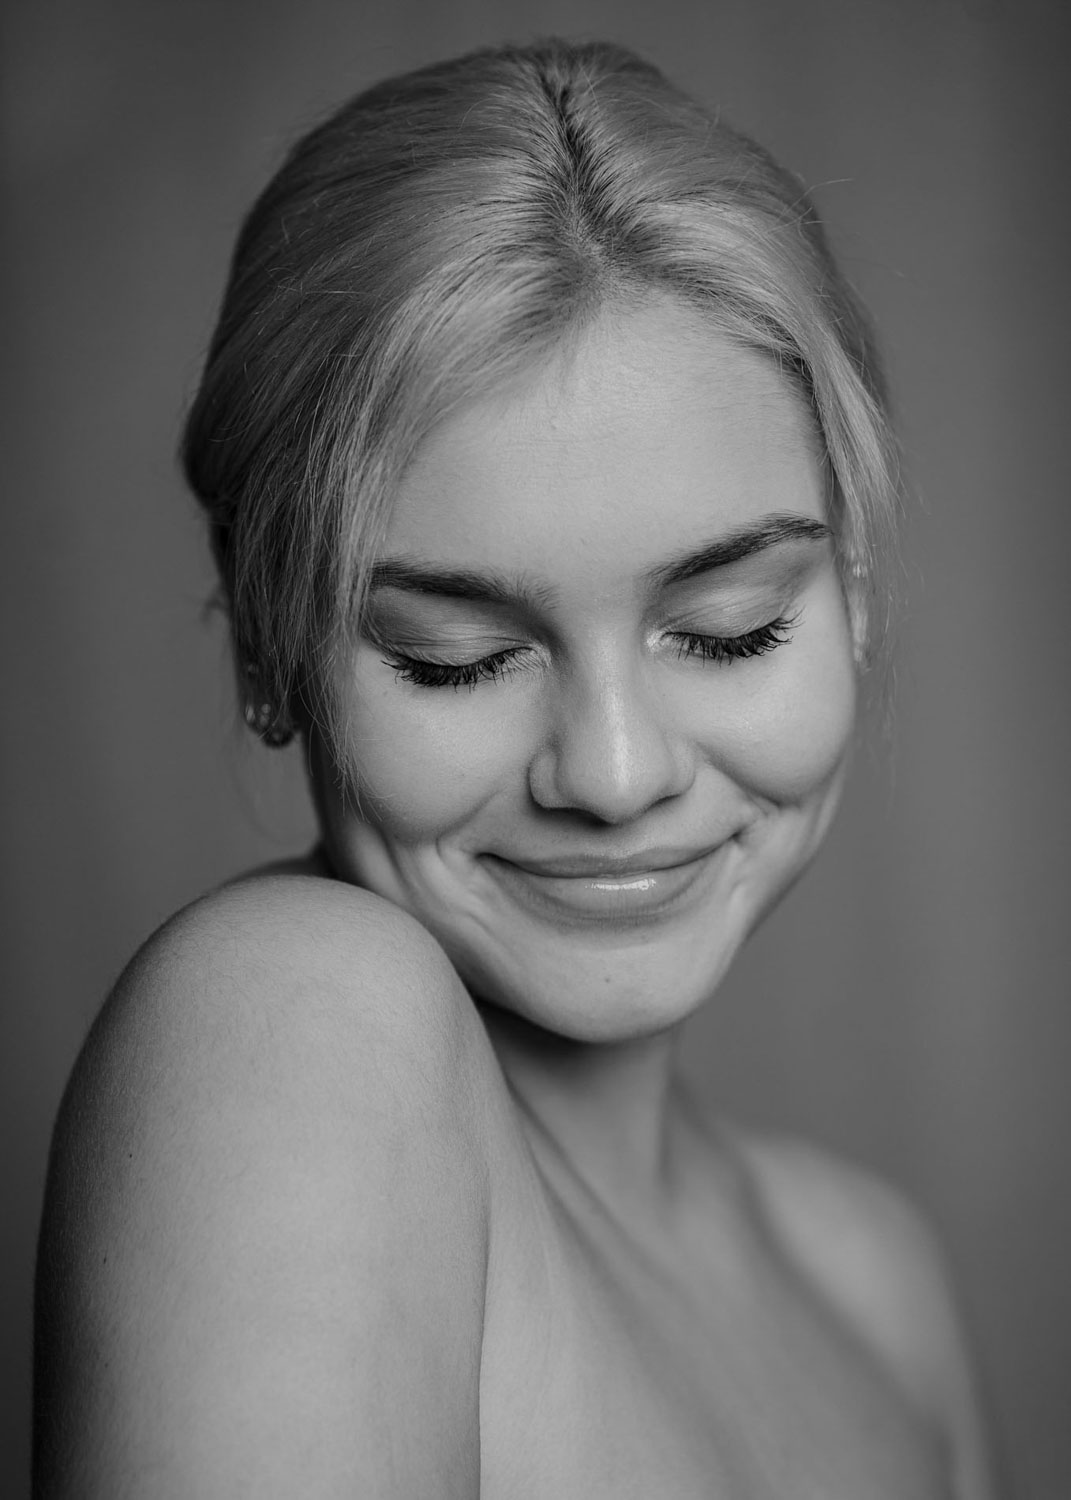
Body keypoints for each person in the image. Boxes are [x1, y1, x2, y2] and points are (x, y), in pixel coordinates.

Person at [33, 37, 998, 1498]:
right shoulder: (292, 1021)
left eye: (729, 629)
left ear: (853, 590)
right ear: (269, 638)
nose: (612, 772)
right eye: (457, 657)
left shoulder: (882, 1288)